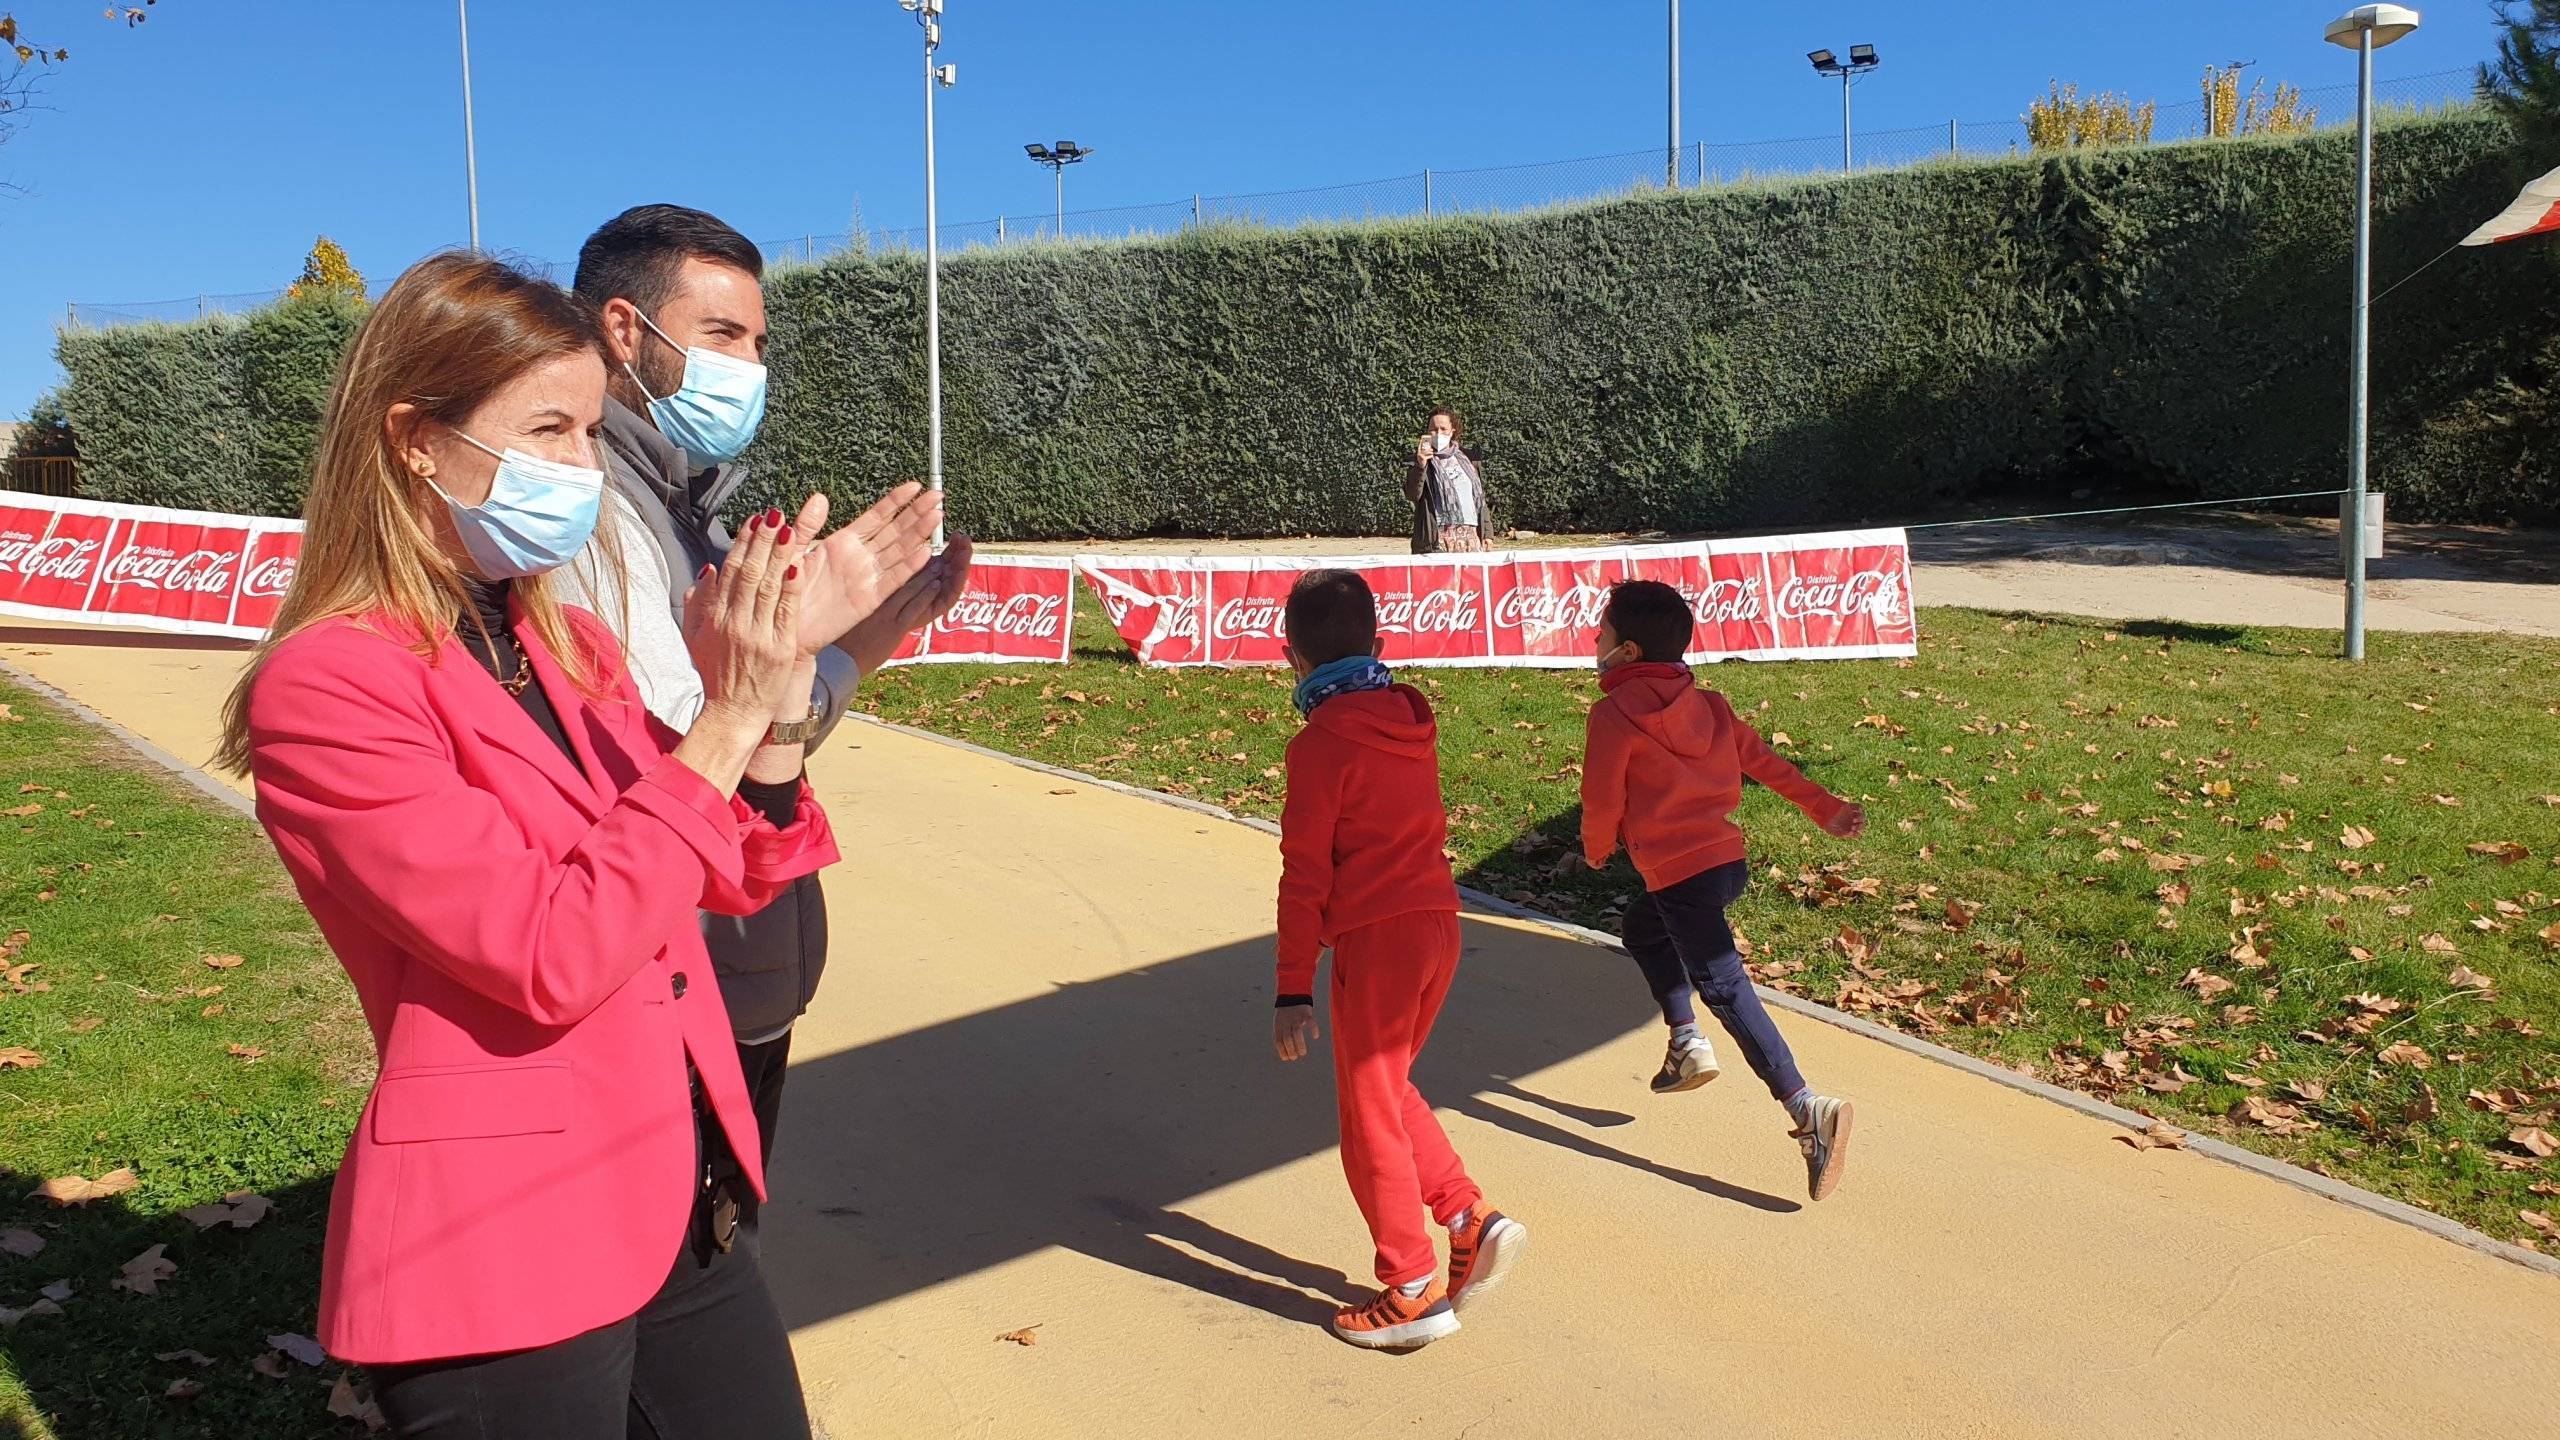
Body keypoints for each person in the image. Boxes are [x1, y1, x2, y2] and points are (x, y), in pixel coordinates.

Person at [215, 252, 837, 1437]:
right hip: (505, 1245)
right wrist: (726, 719)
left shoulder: (567, 651)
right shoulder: (331, 687)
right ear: (411, 437)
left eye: (592, 433)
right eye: (547, 428)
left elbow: (716, 864)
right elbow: (548, 950)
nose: (581, 469)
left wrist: (771, 724)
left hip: (676, 1192)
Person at [556, 203, 972, 1191]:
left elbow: (755, 713)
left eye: (758, 341)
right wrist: (796, 658)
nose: (749, 365)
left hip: (734, 958)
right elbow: (696, 745)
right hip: (675, 965)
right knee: (687, 1259)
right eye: (722, 336)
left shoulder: (678, 502)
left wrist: (865, 638)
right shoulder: (596, 515)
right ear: (626, 330)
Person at [1270, 569, 1527, 1350]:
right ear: (1380, 647)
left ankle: (1410, 1287)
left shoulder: (1319, 746)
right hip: (1436, 925)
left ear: (1292, 660)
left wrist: (1291, 988)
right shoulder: (1413, 719)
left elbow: (1305, 871)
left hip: (1376, 941)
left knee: (1366, 1115)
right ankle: (1466, 1216)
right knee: (1387, 1089)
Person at [1578, 579, 1865, 1202]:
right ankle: (1685, 1043)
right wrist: (1826, 808)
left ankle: (1806, 1107)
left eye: (1601, 631)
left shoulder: (1612, 715)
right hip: (1724, 864)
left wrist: (1597, 849)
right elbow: (1766, 764)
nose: (1593, 638)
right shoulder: (1710, 706)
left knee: (1725, 986)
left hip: (1679, 872)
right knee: (1642, 927)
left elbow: (1602, 798)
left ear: (1626, 652)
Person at [1401, 406, 1493, 554]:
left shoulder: (1468, 460)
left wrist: (1487, 533)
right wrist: (1420, 465)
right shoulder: (1419, 462)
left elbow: (1479, 498)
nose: (1438, 433)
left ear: (1452, 430)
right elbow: (1412, 495)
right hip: (1437, 538)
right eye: (1433, 429)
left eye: (1443, 429)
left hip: (1470, 535)